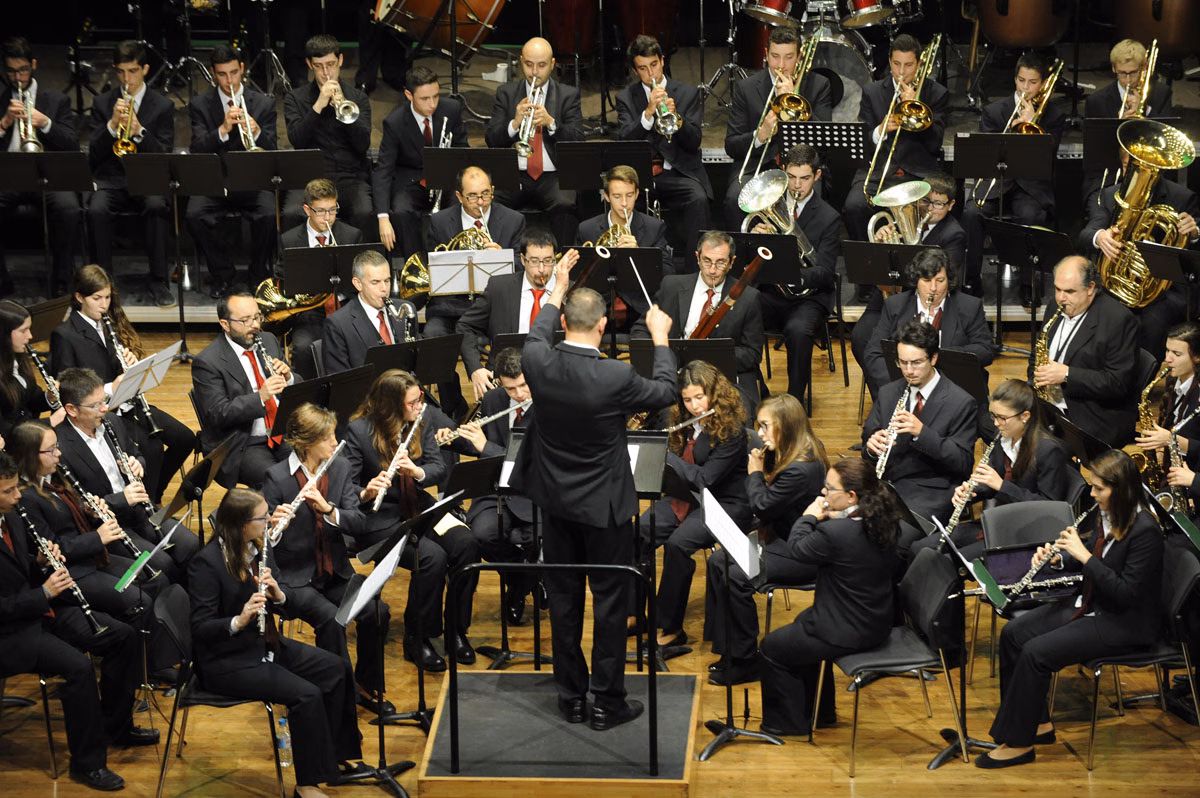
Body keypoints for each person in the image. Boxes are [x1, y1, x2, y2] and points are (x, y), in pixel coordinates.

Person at [510, 254, 677, 730]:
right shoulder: (615, 376)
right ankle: (606, 701)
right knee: (609, 604)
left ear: (566, 320)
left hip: (556, 504)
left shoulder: (536, 361)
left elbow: (539, 329)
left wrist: (558, 284)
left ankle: (570, 696)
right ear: (603, 325)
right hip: (603, 507)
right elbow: (665, 391)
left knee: (563, 601)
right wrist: (661, 338)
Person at [977, 449, 1163, 768]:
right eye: (1091, 486)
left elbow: (1125, 594)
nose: (1092, 494)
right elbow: (1091, 550)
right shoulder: (1109, 513)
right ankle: (1038, 725)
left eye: (1098, 488)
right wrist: (1059, 558)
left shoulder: (1146, 531)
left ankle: (1019, 743)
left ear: (1121, 490)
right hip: (1092, 605)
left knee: (1035, 652)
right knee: (1013, 634)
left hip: (1123, 623)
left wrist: (1083, 557)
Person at [189, 487, 366, 795]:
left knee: (336, 668)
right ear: (243, 524)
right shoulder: (206, 564)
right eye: (262, 516)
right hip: (228, 662)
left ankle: (335, 758)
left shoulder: (259, 547)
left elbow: (283, 600)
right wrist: (238, 620)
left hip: (265, 643)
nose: (269, 520)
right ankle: (307, 785)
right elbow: (201, 628)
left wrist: (277, 593)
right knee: (307, 695)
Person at [0, 450, 154, 792]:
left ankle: (116, 727)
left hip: (39, 612)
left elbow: (19, 564)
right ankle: (88, 764)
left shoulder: (10, 515)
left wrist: (40, 560)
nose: (16, 495)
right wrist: (42, 593)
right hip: (10, 633)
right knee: (78, 668)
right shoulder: (13, 510)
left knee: (123, 636)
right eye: (8, 490)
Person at [344, 369, 480, 671]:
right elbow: (346, 488)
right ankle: (417, 637)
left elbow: (436, 467)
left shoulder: (422, 419)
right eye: (412, 403)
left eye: (419, 400)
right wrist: (367, 491)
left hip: (420, 507)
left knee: (466, 544)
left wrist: (416, 472)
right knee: (431, 558)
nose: (420, 407)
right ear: (390, 405)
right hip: (379, 521)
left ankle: (456, 630)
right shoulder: (358, 432)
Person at [262, 402, 393, 714]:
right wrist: (272, 526)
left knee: (378, 612)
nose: (336, 442)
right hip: (294, 579)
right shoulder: (276, 477)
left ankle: (364, 684)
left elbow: (358, 521)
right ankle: (341, 703)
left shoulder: (339, 466)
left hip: (334, 572)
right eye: (328, 438)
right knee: (332, 622)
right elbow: (260, 540)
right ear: (307, 443)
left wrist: (329, 510)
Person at [757, 457, 903, 736]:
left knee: (772, 648)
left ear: (851, 496)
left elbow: (797, 549)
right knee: (801, 622)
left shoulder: (837, 532)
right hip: (875, 619)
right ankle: (819, 713)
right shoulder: (885, 521)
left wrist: (809, 516)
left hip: (845, 629)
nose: (823, 494)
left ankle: (787, 724)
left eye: (829, 488)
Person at [704, 393, 827, 686]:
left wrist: (755, 473)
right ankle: (729, 650)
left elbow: (762, 506)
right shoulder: (794, 448)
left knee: (735, 575)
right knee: (718, 560)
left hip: (800, 550)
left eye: (764, 426)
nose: (759, 434)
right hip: (782, 538)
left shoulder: (801, 467)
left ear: (785, 426)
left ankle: (747, 660)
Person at [50, 264, 196, 505]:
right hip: (98, 411)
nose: (104, 304)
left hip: (127, 403)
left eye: (107, 297)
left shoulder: (108, 324)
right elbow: (67, 386)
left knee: (185, 438)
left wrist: (131, 367)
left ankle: (155, 491)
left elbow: (116, 370)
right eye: (97, 298)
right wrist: (109, 388)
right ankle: (146, 503)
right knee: (153, 449)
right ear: (79, 297)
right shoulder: (65, 334)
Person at [638, 361, 748, 651]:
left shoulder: (732, 430)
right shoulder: (681, 422)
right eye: (687, 399)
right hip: (684, 497)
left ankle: (671, 627)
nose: (695, 406)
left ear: (714, 393)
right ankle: (633, 613)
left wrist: (667, 456)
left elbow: (706, 478)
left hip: (724, 503)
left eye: (700, 397)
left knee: (677, 545)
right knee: (636, 532)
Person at [53, 367, 200, 577]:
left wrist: (137, 463)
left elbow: (136, 452)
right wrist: (122, 499)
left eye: (104, 400)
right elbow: (78, 505)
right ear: (72, 409)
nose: (105, 408)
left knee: (191, 544)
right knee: (161, 564)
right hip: (109, 526)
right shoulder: (61, 448)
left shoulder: (112, 422)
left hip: (142, 511)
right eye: (96, 405)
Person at [435, 346, 536, 625]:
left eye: (524, 385)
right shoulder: (493, 399)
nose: (519, 395)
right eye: (511, 388)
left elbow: (530, 460)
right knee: (480, 536)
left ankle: (518, 590)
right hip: (494, 490)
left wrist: (486, 447)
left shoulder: (550, 405)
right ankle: (524, 581)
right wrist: (454, 439)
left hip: (534, 493)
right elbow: (478, 442)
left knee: (540, 539)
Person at [10, 420, 150, 619]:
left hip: (93, 558)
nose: (58, 454)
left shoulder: (54, 476)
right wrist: (98, 538)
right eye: (51, 450)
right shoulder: (25, 498)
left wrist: (88, 511)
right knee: (138, 599)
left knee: (148, 578)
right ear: (30, 456)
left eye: (56, 447)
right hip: (73, 573)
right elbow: (53, 550)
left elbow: (71, 515)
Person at [924, 380, 1074, 561]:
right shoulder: (1002, 438)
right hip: (997, 522)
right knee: (921, 547)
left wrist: (1001, 485)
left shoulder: (1048, 450)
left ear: (1025, 416)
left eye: (1002, 418)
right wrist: (972, 493)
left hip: (1024, 532)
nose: (996, 423)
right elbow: (991, 484)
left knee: (944, 562)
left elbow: (1049, 507)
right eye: (993, 416)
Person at [962, 53, 1066, 303]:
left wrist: (1033, 125)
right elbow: (987, 153)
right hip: (998, 182)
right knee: (971, 213)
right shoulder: (995, 111)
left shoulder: (1053, 115)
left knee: (1031, 216)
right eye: (1021, 81)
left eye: (1032, 82)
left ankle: (1028, 284)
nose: (1026, 88)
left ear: (1042, 83)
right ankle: (971, 280)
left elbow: (1048, 156)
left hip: (1030, 186)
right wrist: (1014, 129)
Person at [426, 164, 527, 418]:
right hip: (452, 306)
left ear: (493, 190)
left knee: (510, 330)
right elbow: (431, 266)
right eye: (472, 196)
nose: (480, 201)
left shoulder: (514, 220)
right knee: (433, 334)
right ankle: (453, 407)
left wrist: (502, 255)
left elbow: (522, 261)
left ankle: (499, 401)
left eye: (486, 194)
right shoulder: (439, 222)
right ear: (459, 196)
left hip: (493, 305)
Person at [1077, 152, 1198, 361]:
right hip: (1117, 286)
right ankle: (1108, 376)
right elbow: (1087, 233)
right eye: (1128, 167)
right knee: (1106, 315)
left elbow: (1193, 257)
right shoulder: (1109, 195)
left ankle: (1143, 384)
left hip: (1164, 291)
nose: (1133, 173)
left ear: (1159, 167)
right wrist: (1100, 237)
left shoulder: (1182, 197)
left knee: (1153, 323)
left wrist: (1195, 234)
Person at [746, 145, 842, 403]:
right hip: (771, 292)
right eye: (791, 177)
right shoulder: (768, 206)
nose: (797, 185)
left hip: (809, 298)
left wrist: (793, 275)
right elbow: (750, 260)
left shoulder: (829, 217)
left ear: (817, 176)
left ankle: (795, 402)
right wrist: (754, 240)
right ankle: (757, 393)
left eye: (805, 178)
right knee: (737, 316)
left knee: (799, 332)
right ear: (783, 173)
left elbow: (825, 273)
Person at [631, 230, 764, 415]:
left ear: (732, 262)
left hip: (722, 379)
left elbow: (753, 353)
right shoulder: (671, 285)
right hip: (675, 373)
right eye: (707, 261)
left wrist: (710, 353)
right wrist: (661, 356)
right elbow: (641, 329)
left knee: (735, 415)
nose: (712, 270)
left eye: (721, 262)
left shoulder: (748, 297)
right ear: (697, 257)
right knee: (656, 411)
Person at [843, 34, 948, 260]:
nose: (902, 71)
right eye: (897, 64)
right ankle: (868, 267)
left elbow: (934, 144)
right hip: (879, 170)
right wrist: (880, 130)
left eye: (909, 65)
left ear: (919, 64)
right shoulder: (872, 92)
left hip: (917, 171)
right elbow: (863, 140)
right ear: (890, 62)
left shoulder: (936, 93)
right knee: (854, 205)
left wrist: (916, 109)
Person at [87, 40, 175, 308]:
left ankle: (159, 280)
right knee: (96, 209)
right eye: (121, 72)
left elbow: (164, 155)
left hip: (147, 178)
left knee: (157, 204)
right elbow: (93, 156)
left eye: (133, 71)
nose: (127, 79)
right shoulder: (103, 103)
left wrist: (138, 131)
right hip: (111, 179)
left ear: (146, 69)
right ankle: (101, 285)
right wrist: (112, 126)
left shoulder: (162, 106)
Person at [863, 319, 976, 526]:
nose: (908, 370)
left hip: (930, 492)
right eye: (902, 362)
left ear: (933, 358)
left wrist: (922, 433)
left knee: (891, 537)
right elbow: (868, 438)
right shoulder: (889, 393)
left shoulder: (961, 402)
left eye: (916, 363)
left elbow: (963, 464)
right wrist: (872, 447)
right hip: (887, 484)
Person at [186, 43, 277, 298]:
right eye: (222, 74)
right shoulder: (200, 105)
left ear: (242, 70)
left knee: (269, 213)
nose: (229, 80)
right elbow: (197, 149)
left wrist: (257, 131)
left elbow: (273, 151)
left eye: (234, 73)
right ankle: (222, 273)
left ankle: (258, 275)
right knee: (194, 213)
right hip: (216, 181)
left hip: (252, 181)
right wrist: (222, 131)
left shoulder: (263, 104)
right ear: (213, 74)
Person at [851, 171, 967, 367]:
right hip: (887, 299)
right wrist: (881, 246)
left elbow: (944, 279)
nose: (930, 208)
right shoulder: (901, 223)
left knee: (902, 342)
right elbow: (877, 271)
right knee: (860, 338)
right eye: (925, 201)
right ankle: (884, 394)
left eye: (938, 204)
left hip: (925, 303)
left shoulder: (954, 234)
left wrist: (912, 248)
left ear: (951, 205)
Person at [616, 35, 711, 270]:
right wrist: (647, 115)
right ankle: (633, 269)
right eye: (643, 69)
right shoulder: (626, 98)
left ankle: (693, 270)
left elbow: (694, 142)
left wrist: (677, 120)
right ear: (635, 71)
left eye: (654, 65)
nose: (651, 74)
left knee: (698, 198)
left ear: (662, 61)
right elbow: (624, 141)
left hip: (678, 172)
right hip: (642, 175)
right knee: (621, 201)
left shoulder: (687, 93)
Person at [722, 26, 832, 227]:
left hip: (802, 168)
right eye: (775, 56)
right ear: (766, 54)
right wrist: (760, 135)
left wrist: (796, 102)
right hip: (759, 167)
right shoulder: (746, 89)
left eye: (789, 57)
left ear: (799, 57)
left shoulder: (819, 85)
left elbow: (824, 141)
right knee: (733, 198)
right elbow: (731, 145)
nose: (781, 65)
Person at [0, 36, 81, 296]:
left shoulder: (56, 100)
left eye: (22, 70)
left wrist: (45, 122)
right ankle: (2, 282)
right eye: (11, 71)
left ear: (33, 65)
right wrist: (4, 123)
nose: (18, 77)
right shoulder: (1, 100)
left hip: (47, 175)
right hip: (9, 176)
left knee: (68, 208)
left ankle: (62, 282)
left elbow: (71, 145)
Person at [457, 228, 576, 402]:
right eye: (534, 261)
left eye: (548, 261)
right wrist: (475, 368)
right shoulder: (499, 287)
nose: (542, 269)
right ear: (523, 260)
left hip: (554, 380)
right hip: (505, 379)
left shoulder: (571, 290)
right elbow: (465, 325)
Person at [1031, 256, 1139, 448]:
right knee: (996, 423)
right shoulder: (1055, 306)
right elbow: (1036, 356)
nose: (1060, 298)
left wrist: (1067, 374)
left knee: (1041, 450)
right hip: (1049, 406)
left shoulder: (1118, 320)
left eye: (1070, 291)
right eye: (1057, 289)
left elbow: (1117, 383)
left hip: (1091, 414)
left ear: (1090, 288)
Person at [192, 292, 297, 489]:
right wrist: (260, 397)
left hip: (282, 432)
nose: (255, 325)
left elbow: (297, 384)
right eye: (245, 320)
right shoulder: (207, 362)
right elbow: (218, 414)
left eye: (257, 317)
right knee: (281, 481)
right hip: (243, 443)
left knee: (320, 464)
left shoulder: (267, 340)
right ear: (225, 324)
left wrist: (288, 377)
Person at [860, 248, 993, 402]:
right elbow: (873, 353)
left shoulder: (969, 307)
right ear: (916, 281)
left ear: (948, 280)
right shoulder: (895, 305)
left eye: (940, 280)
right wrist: (900, 381)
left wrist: (942, 355)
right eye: (927, 280)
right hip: (906, 388)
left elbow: (986, 350)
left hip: (955, 392)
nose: (933, 288)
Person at [485, 36, 584, 245]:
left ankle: (562, 259)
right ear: (521, 62)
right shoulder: (506, 93)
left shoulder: (568, 95)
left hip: (552, 174)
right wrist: (514, 123)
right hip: (515, 173)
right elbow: (491, 139)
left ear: (552, 64)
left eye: (541, 65)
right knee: (489, 199)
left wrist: (551, 123)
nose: (535, 72)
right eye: (529, 65)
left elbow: (577, 140)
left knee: (565, 202)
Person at [373, 65, 468, 259]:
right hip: (412, 181)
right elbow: (383, 169)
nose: (432, 104)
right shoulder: (395, 122)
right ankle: (417, 264)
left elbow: (463, 150)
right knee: (401, 211)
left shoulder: (452, 109)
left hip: (446, 179)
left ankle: (452, 262)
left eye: (435, 96)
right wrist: (383, 217)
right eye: (425, 98)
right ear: (409, 95)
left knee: (457, 207)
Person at [282, 34, 373, 234]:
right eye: (319, 66)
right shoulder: (295, 98)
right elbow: (297, 140)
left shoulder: (358, 98)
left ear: (340, 61)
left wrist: (343, 111)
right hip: (309, 178)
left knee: (364, 212)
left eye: (331, 64)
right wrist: (318, 106)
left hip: (349, 176)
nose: (326, 73)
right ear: (309, 64)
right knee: (291, 214)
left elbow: (362, 144)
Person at [278, 178, 365, 379]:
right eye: (321, 211)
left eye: (333, 210)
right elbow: (282, 278)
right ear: (307, 210)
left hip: (345, 308)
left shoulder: (352, 236)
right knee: (302, 348)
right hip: (310, 312)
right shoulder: (290, 240)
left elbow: (361, 279)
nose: (328, 217)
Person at [576, 164, 671, 322]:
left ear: (637, 194)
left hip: (639, 307)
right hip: (598, 307)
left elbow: (668, 273)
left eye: (629, 195)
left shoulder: (654, 227)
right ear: (606, 196)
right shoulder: (587, 229)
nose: (625, 203)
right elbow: (580, 277)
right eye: (617, 196)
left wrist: (639, 253)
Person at [321, 249, 413, 374]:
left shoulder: (406, 310)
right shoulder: (338, 325)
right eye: (375, 282)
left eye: (387, 281)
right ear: (358, 284)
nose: (384, 289)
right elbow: (341, 382)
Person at [1135, 322, 1200, 480]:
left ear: (1197, 357)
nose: (1167, 359)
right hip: (1173, 467)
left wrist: (1170, 440)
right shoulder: (1172, 381)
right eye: (1167, 350)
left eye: (1177, 354)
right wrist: (1159, 451)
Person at [0, 299, 64, 436]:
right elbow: (4, 430)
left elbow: (30, 402)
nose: (30, 336)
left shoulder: (18, 360)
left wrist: (49, 397)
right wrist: (49, 422)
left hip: (33, 440)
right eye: (23, 331)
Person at [1085, 39, 1173, 120]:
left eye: (1133, 72)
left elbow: (1169, 132)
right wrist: (1119, 124)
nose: (1128, 80)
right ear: (1114, 68)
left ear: (1144, 67)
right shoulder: (1096, 101)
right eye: (1122, 73)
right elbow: (1094, 136)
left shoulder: (1162, 93)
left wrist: (1146, 110)